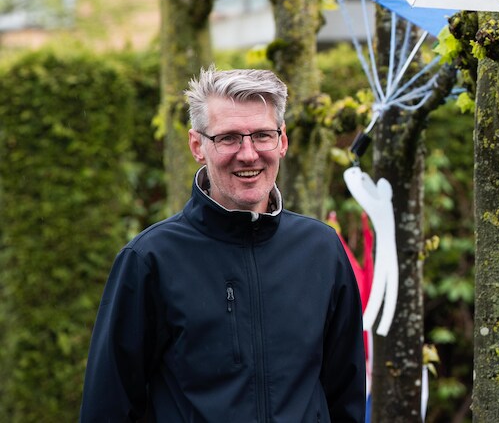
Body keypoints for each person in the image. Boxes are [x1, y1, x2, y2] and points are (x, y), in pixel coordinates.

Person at [81, 67, 366, 422]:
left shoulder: (321, 250)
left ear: (283, 141)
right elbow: (109, 406)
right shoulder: (149, 259)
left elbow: (346, 395)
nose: (248, 154)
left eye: (262, 135)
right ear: (197, 145)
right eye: (229, 138)